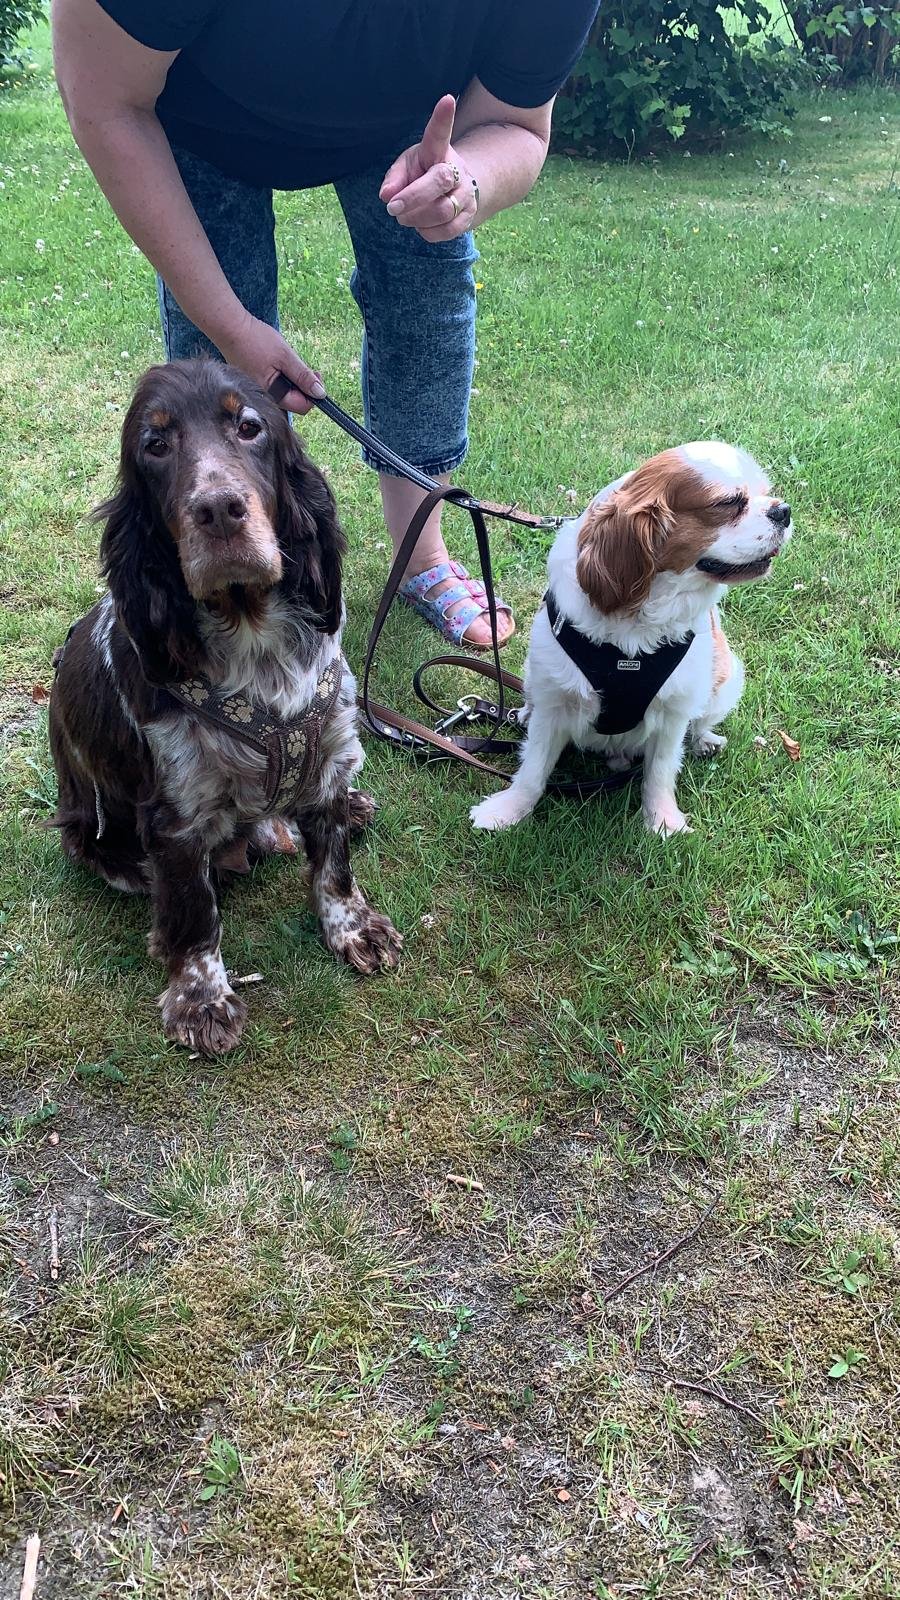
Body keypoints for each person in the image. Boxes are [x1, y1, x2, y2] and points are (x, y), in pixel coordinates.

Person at [52, 0, 599, 649]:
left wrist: (464, 181)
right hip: (196, 113)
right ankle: (213, 557)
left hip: (407, 121)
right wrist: (231, 324)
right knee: (213, 366)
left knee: (426, 300)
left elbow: (519, 126)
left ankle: (422, 557)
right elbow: (105, 100)